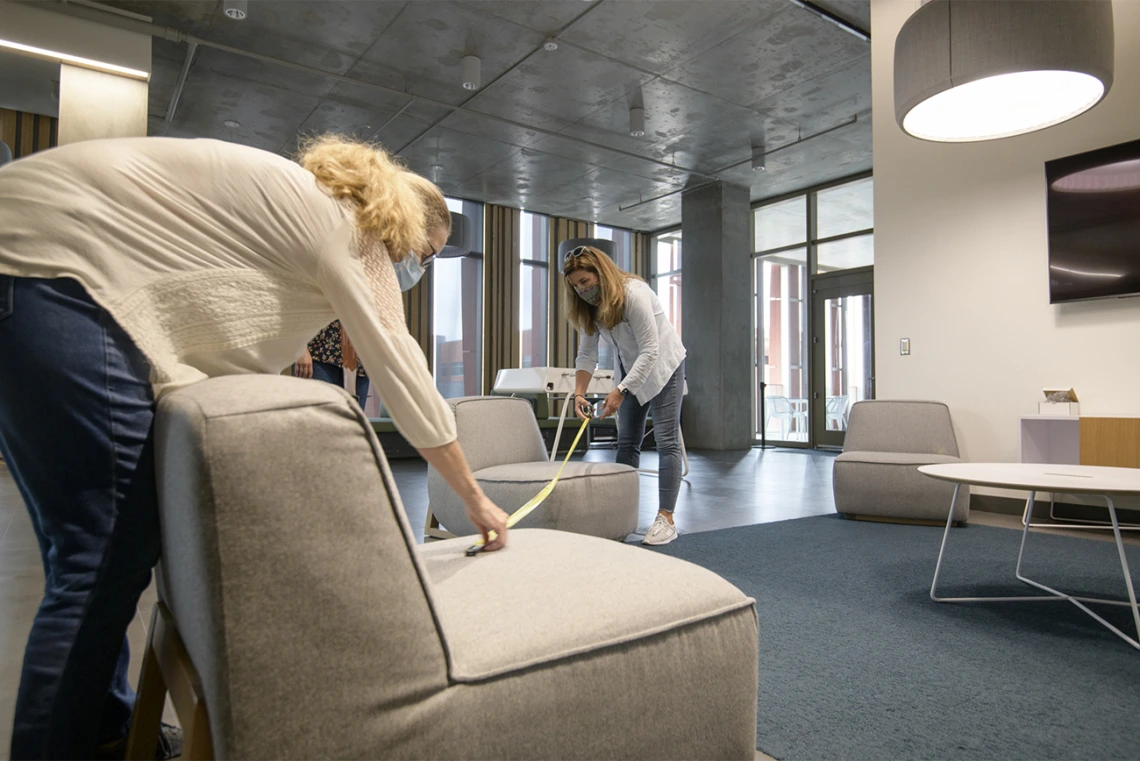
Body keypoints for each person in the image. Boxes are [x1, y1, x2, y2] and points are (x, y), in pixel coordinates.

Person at [0, 135, 508, 760]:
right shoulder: (351, 227)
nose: (415, 271)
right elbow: (403, 366)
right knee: (102, 555)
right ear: (404, 224)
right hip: (58, 275)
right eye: (422, 257)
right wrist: (475, 498)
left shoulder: (297, 208)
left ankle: (104, 731)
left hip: (36, 272)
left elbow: (219, 346)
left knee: (86, 550)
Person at [562, 246, 687, 546]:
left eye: (585, 282)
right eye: (576, 286)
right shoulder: (590, 308)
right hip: (631, 368)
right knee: (628, 442)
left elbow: (651, 349)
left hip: (664, 365)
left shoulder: (634, 293)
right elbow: (586, 354)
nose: (582, 291)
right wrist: (579, 393)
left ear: (601, 273)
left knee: (667, 439)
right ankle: (619, 515)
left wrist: (619, 391)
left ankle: (666, 518)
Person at [295, 319, 371, 409]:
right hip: (320, 354)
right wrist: (301, 347)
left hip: (359, 358)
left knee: (353, 420)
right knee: (318, 417)